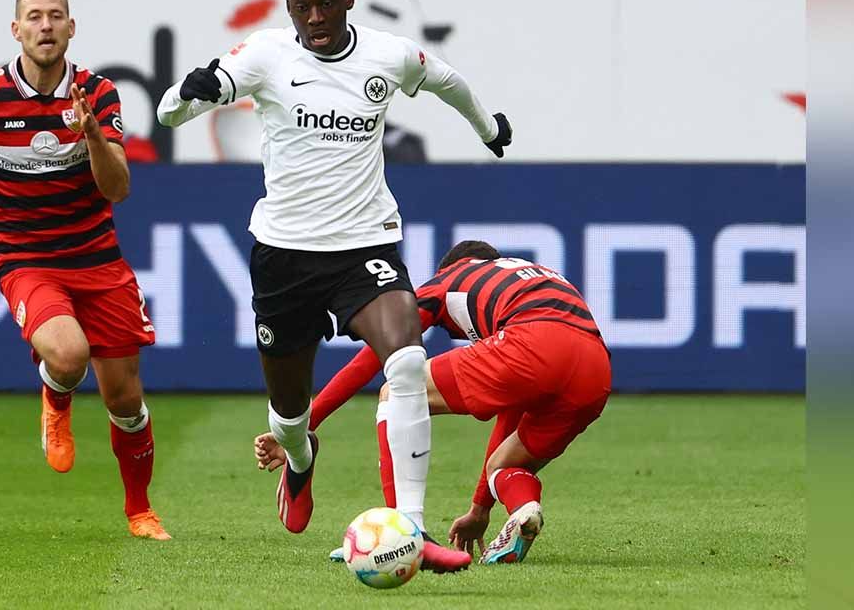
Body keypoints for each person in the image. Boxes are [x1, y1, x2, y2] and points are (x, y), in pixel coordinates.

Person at [157, 0, 510, 571]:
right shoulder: (266, 56)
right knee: (289, 414)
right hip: (284, 256)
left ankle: (412, 529)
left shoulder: (388, 55)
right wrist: (185, 100)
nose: (315, 17)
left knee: (405, 361)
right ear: (289, 9)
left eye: (326, 3)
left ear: (348, 0)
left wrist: (488, 129)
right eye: (303, 7)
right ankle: (300, 459)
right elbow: (169, 110)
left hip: (363, 245)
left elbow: (448, 81)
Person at [0, 0, 169, 540]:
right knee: (69, 353)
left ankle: (139, 511)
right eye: (34, 17)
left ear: (72, 28)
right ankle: (55, 394)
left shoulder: (98, 93)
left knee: (126, 399)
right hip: (25, 256)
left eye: (56, 16)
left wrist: (93, 137)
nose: (46, 25)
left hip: (98, 260)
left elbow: (118, 189)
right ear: (17, 30)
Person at [254, 240, 612, 565]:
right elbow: (513, 409)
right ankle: (524, 509)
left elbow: (371, 362)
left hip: (533, 342)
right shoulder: (532, 275)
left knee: (395, 392)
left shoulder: (449, 278)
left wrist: (308, 423)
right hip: (595, 369)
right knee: (504, 464)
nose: (450, 332)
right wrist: (479, 510)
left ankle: (398, 535)